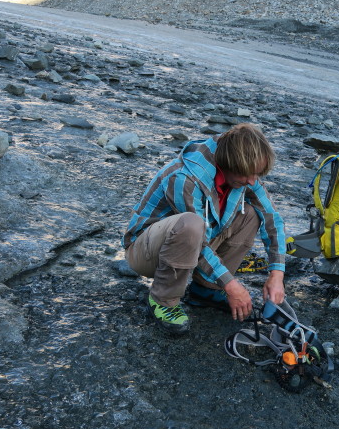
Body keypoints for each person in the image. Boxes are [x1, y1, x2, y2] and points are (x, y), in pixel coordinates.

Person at [122, 123, 286, 335]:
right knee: (191, 224)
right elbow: (197, 238)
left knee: (252, 215)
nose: (253, 181)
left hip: (191, 247)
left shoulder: (244, 175)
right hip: (146, 252)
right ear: (231, 164)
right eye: (249, 174)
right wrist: (232, 285)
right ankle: (163, 299)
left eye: (257, 174)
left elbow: (273, 219)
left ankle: (206, 289)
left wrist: (277, 274)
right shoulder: (184, 178)